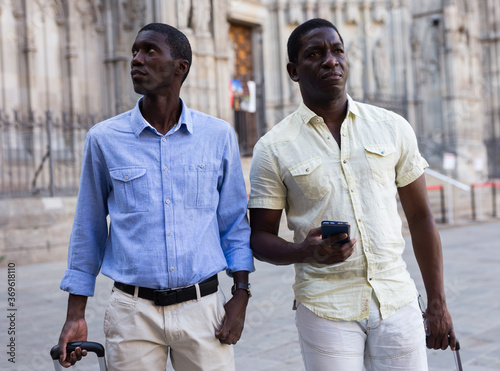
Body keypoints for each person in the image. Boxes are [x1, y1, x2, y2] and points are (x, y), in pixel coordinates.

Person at [248, 18, 455, 370]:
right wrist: (303, 251)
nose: (331, 60)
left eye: (337, 50)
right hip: (325, 309)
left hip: (396, 301)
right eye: (316, 54)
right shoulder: (273, 148)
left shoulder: (391, 127)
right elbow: (258, 237)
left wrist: (437, 302)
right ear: (293, 71)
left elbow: (422, 217)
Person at [57, 23, 254, 371]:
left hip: (204, 310)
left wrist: (241, 295)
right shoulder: (104, 139)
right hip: (132, 314)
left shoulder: (218, 136)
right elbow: (88, 229)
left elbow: (235, 224)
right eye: (135, 50)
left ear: (181, 67)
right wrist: (76, 313)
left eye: (150, 51)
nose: (137, 59)